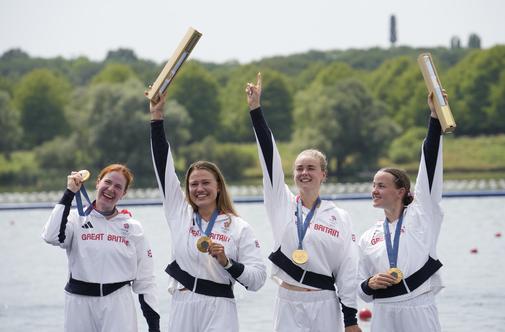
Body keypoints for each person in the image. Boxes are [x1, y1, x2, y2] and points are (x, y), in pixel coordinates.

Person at [246, 73, 361, 332]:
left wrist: (351, 318)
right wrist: (256, 110)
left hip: (325, 302)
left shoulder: (339, 216)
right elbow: (269, 160)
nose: (304, 173)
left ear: (323, 174)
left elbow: (348, 269)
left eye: (311, 168)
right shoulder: (281, 203)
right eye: (299, 169)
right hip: (288, 300)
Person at [149, 93, 267, 332]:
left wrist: (227, 262)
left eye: (206, 183)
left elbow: (257, 280)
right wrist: (157, 117)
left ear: (218, 187)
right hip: (183, 304)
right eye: (194, 184)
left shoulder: (238, 227)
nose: (199, 189)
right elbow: (163, 168)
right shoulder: (179, 214)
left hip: (220, 308)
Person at [357, 91, 447, 331]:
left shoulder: (422, 216)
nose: (374, 190)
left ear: (401, 191)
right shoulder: (369, 236)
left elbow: (429, 167)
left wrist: (434, 118)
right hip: (383, 313)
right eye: (373, 185)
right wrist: (370, 283)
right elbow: (360, 289)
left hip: (418, 308)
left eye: (381, 185)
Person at [42, 164, 160, 332]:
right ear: (98, 182)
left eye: (118, 187)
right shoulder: (76, 219)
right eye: (108, 182)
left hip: (118, 304)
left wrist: (154, 326)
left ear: (124, 193)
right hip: (79, 303)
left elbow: (146, 281)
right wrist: (69, 193)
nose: (111, 189)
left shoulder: (133, 228)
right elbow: (51, 236)